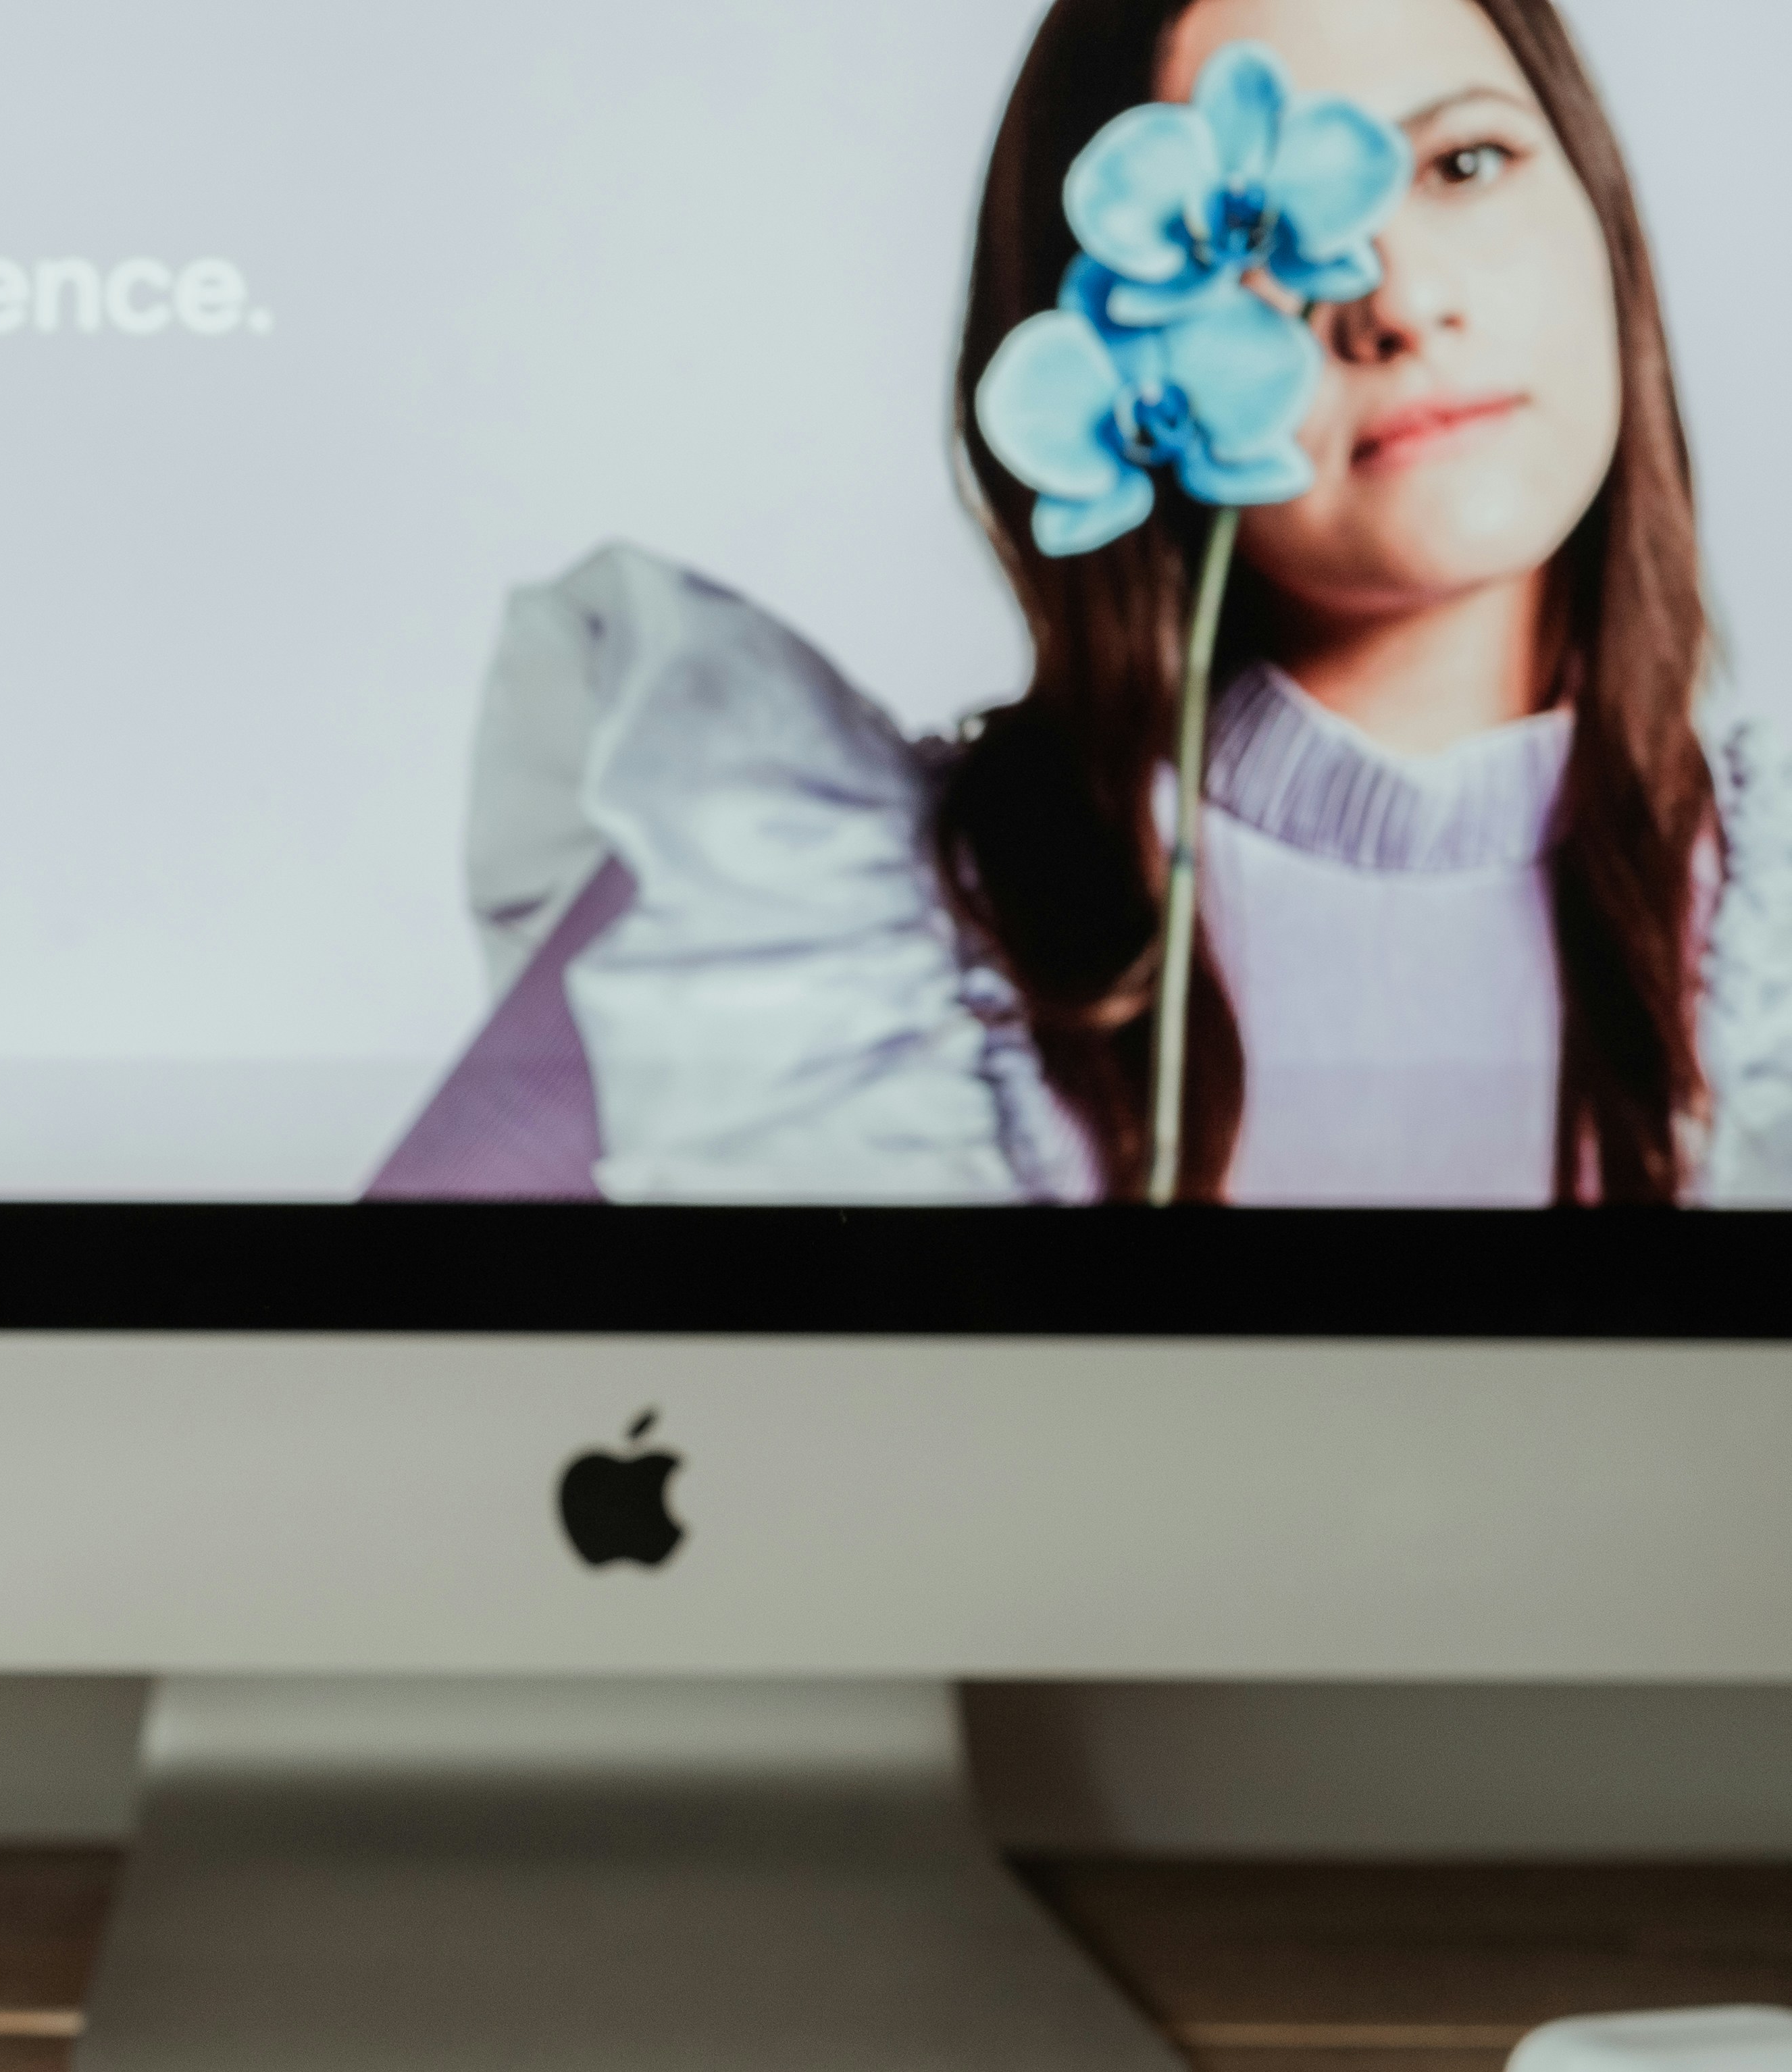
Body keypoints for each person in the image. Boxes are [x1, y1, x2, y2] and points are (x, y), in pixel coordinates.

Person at [373, 0, 1790, 1208]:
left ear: (1603, 206)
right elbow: (363, 1436)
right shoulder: (797, 927)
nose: (1396, 299)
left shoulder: (1763, 940)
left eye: (1466, 161)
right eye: (1260, 243)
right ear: (1083, 335)